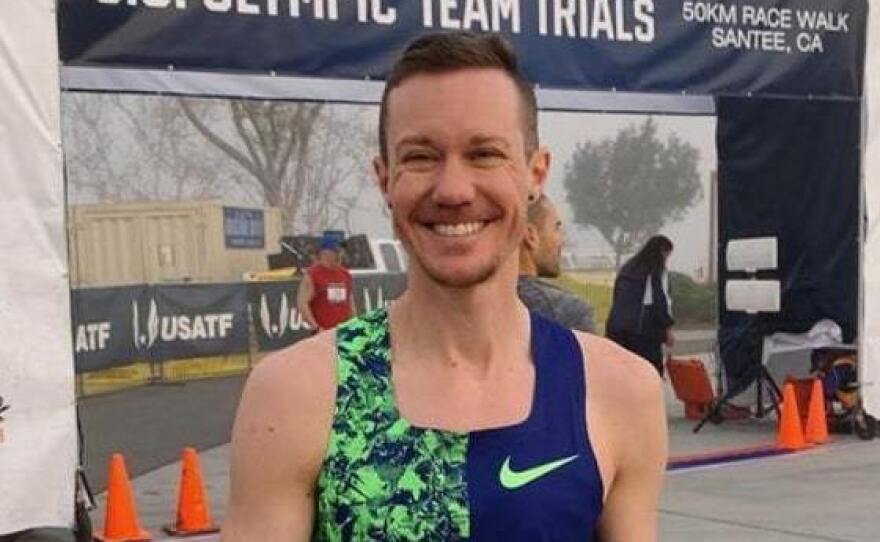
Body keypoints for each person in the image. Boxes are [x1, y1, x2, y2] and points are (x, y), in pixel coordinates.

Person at [224, 32, 666, 541]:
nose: (453, 190)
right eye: (421, 156)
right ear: (385, 178)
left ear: (534, 172)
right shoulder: (296, 395)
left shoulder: (619, 392)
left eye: (483, 154)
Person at [518, 194, 596, 332]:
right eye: (556, 228)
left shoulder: (477, 305)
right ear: (530, 236)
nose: (562, 240)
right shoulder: (567, 312)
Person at [606, 235, 675, 377]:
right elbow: (660, 301)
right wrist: (667, 328)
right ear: (662, 251)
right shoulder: (656, 270)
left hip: (617, 329)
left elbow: (617, 297)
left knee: (623, 374)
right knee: (649, 374)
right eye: (667, 255)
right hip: (642, 331)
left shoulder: (628, 267)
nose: (666, 260)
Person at [296, 234, 355, 332]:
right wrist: (316, 327)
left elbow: (350, 303)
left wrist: (354, 325)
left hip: (343, 332)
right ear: (325, 253)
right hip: (323, 332)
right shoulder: (313, 275)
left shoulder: (345, 274)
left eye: (341, 251)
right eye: (337, 251)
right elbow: (302, 303)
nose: (341, 254)